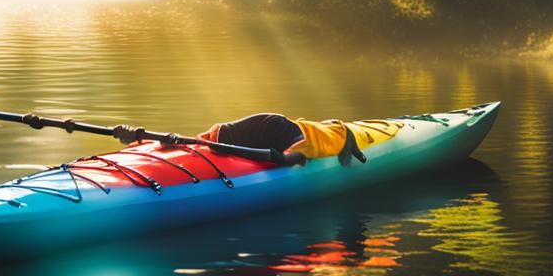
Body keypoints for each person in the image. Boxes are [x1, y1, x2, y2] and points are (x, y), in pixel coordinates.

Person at [113, 111, 370, 164]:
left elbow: (290, 159)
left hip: (279, 129)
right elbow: (193, 142)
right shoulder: (222, 135)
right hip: (264, 125)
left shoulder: (303, 145)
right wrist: (136, 139)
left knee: (208, 144)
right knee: (206, 142)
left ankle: (348, 141)